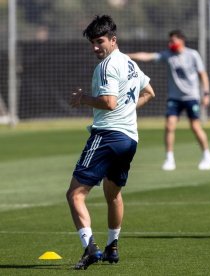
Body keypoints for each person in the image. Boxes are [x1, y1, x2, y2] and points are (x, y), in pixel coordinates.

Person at [66, 15, 155, 270]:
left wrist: (83, 98)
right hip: (129, 139)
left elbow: (109, 102)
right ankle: (112, 247)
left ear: (113, 40)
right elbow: (150, 92)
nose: (96, 47)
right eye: (93, 42)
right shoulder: (130, 64)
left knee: (75, 194)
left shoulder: (107, 66)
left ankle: (90, 248)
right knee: (113, 194)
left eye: (100, 41)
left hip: (107, 136)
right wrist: (129, 110)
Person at [127, 30, 210, 171]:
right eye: (169, 41)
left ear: (181, 40)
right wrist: (127, 56)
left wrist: (206, 94)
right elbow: (147, 56)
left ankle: (207, 155)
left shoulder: (192, 55)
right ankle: (169, 159)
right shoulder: (167, 55)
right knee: (169, 126)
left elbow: (203, 75)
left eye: (172, 41)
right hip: (174, 98)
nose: (170, 44)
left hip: (191, 97)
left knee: (195, 127)